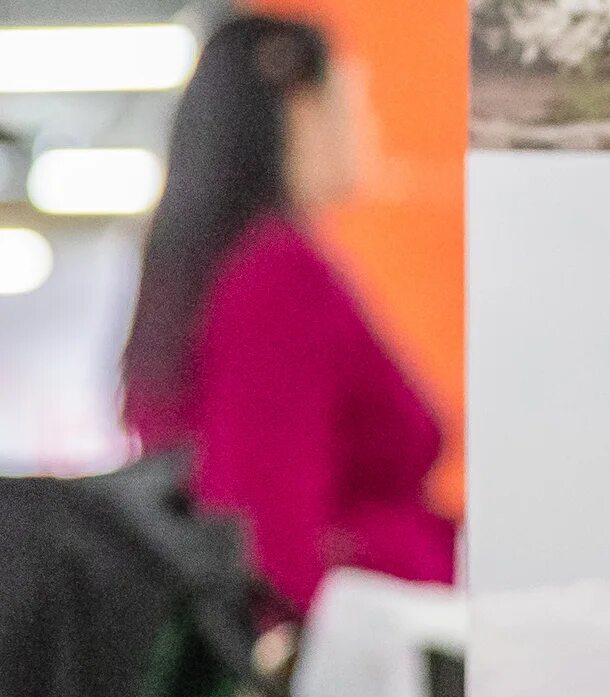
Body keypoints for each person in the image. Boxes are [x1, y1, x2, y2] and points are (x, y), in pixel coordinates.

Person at [120, 14, 457, 624]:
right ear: (299, 107)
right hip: (332, 671)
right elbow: (264, 522)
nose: (369, 127)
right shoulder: (275, 275)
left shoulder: (225, 269)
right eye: (354, 100)